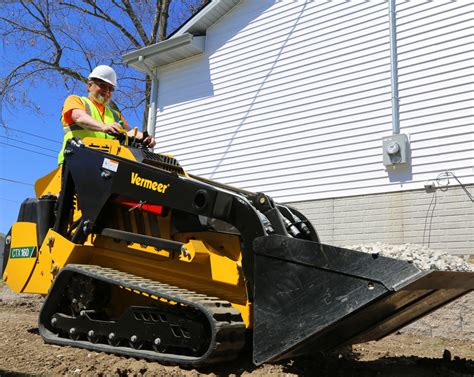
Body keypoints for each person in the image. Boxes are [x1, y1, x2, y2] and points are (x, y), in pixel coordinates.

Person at [58, 65, 156, 164]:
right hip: (74, 160)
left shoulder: (115, 115)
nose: (107, 91)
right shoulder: (75, 100)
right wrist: (104, 127)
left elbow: (129, 132)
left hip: (102, 165)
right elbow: (79, 117)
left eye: (111, 88)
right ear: (89, 85)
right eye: (103, 85)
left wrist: (143, 137)